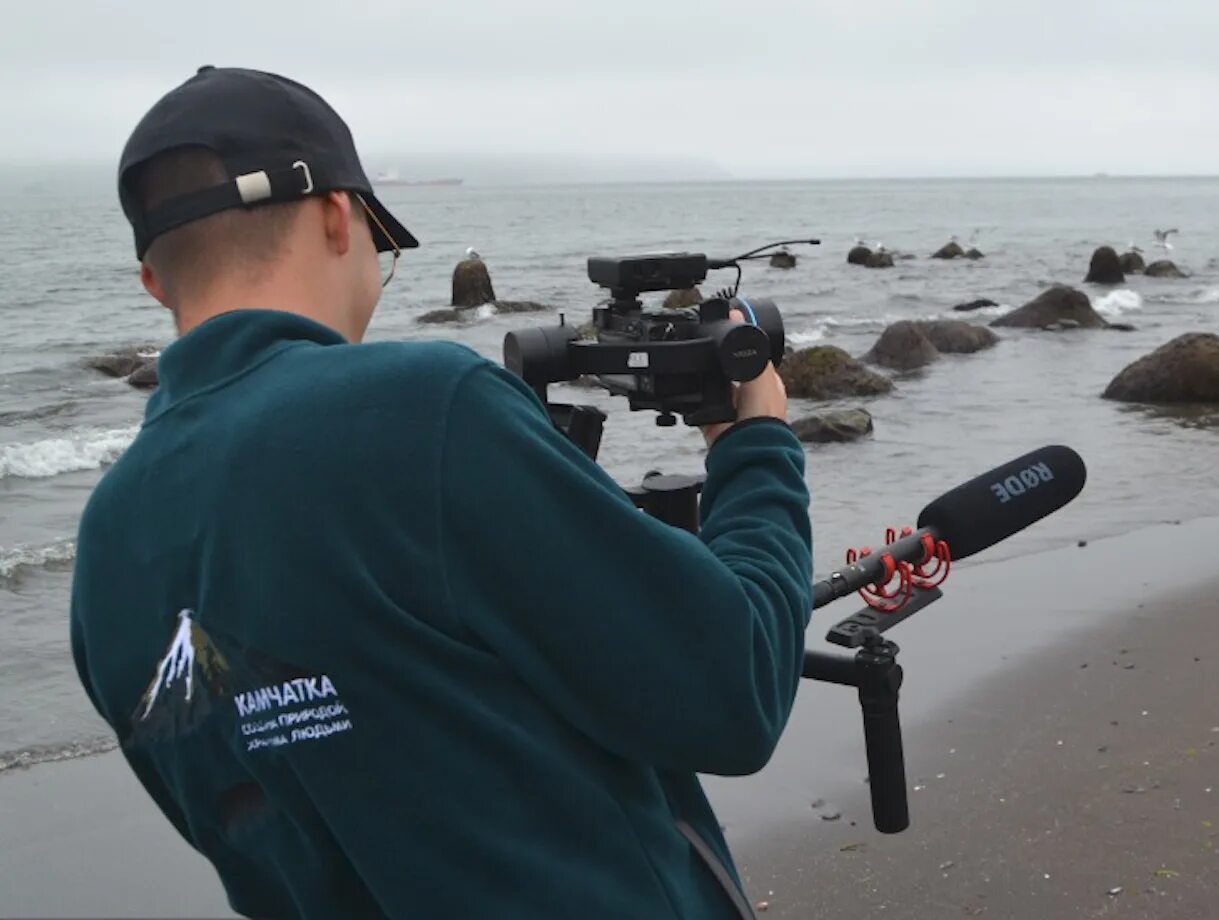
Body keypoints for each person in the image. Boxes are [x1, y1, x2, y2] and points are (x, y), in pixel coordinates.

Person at [69, 66, 811, 920]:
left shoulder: (105, 546)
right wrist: (756, 444)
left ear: (157, 284)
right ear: (338, 218)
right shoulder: (422, 409)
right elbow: (734, 688)